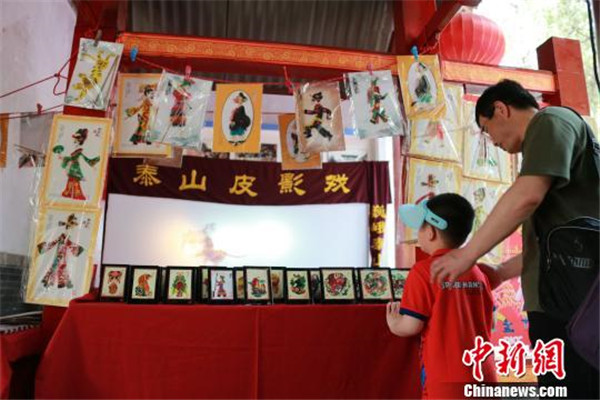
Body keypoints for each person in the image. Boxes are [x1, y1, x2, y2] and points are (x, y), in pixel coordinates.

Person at [430, 79, 599, 399]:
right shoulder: (547, 150)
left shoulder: (552, 121)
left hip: (575, 305)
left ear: (500, 109)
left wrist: (467, 254)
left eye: (486, 128)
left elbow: (526, 197)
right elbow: (553, 245)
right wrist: (500, 273)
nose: (491, 141)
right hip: (561, 300)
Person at [386, 193, 497, 399]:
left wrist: (394, 323)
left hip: (446, 380)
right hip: (484, 375)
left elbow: (411, 326)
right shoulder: (477, 271)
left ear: (430, 232)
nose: (418, 233)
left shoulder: (424, 271)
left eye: (419, 227)